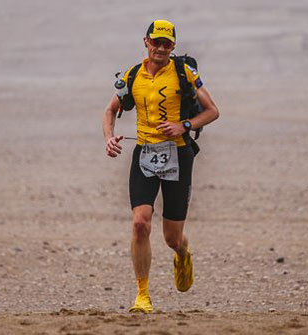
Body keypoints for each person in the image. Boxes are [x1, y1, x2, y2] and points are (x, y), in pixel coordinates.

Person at [102, 19, 219, 313]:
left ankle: (182, 253)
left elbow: (213, 111)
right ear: (146, 42)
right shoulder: (133, 75)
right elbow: (110, 110)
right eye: (156, 42)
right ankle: (142, 296)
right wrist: (108, 138)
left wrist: (184, 125)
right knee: (140, 223)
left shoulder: (184, 74)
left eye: (167, 44)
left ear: (173, 47)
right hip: (144, 154)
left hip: (178, 156)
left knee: (171, 237)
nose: (161, 48)